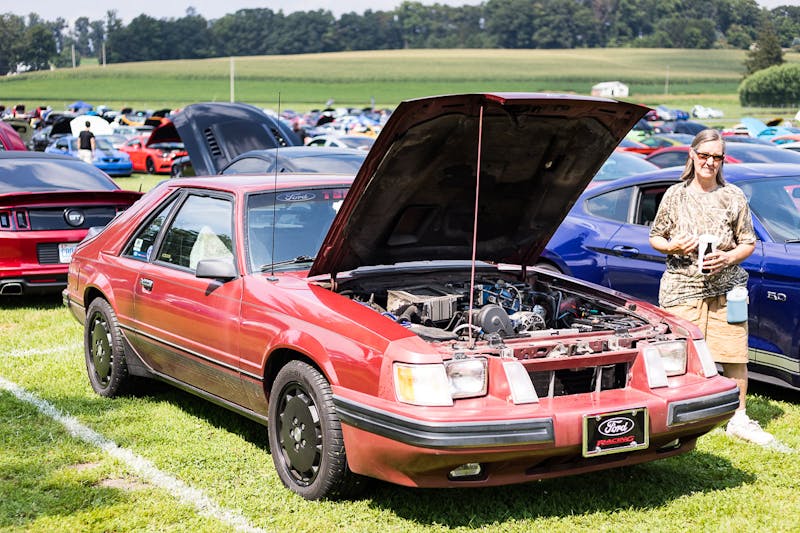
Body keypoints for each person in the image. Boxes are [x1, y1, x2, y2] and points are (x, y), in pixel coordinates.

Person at [648, 128, 774, 446]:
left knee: (735, 355)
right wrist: (672, 245)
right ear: (692, 155)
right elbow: (655, 236)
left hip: (727, 290)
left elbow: (748, 242)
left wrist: (728, 257)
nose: (710, 163)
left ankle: (739, 418)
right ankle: (673, 418)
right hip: (681, 289)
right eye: (704, 155)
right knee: (676, 355)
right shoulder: (675, 195)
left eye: (716, 157)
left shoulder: (733, 196)